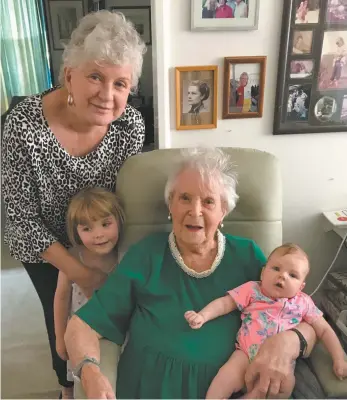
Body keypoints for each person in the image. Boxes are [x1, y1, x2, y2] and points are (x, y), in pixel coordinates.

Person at [65, 147, 317, 399]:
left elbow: (307, 318)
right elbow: (83, 324)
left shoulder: (248, 256)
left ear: (223, 212)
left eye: (208, 201)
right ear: (170, 204)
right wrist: (90, 373)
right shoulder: (146, 254)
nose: (195, 211)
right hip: (150, 389)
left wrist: (288, 342)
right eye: (185, 198)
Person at [2, 10, 146, 395]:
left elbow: (124, 199)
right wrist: (79, 272)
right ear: (69, 76)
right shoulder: (23, 125)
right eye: (95, 76)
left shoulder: (129, 126)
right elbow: (20, 218)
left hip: (99, 236)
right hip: (43, 241)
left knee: (110, 318)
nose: (107, 94)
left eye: (120, 83)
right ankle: (64, 386)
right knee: (60, 318)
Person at [185, 243, 347, 399]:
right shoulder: (252, 290)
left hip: (280, 365)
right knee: (223, 380)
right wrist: (202, 316)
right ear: (263, 273)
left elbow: (325, 330)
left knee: (284, 389)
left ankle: (253, 396)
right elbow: (224, 304)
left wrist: (339, 359)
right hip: (245, 355)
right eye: (276, 268)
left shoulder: (303, 302)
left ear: (301, 286)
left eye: (293, 275)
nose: (282, 276)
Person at [54, 187, 125, 398]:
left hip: (115, 329)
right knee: (80, 371)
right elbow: (61, 297)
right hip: (80, 330)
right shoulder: (73, 258)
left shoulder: (125, 256)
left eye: (105, 224)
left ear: (119, 221)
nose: (98, 235)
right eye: (87, 229)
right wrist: (60, 337)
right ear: (76, 232)